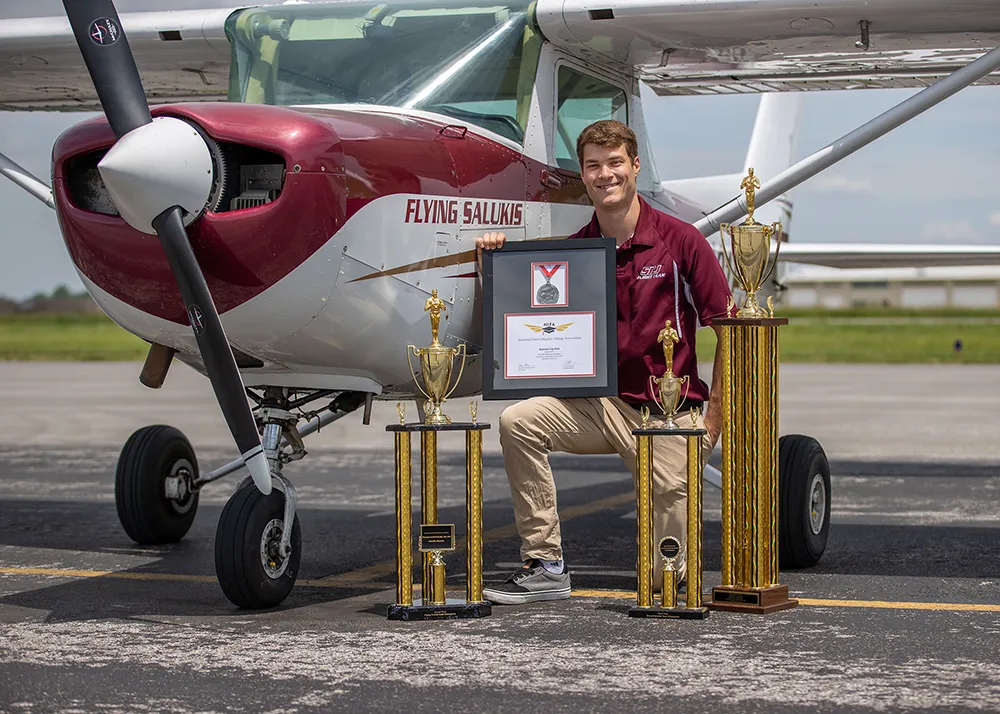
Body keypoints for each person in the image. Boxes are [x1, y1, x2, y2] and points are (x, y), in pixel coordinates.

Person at [476, 120, 733, 605]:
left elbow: (730, 335)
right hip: (600, 405)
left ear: (635, 167)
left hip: (668, 416)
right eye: (593, 165)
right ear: (584, 174)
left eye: (615, 162)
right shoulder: (577, 251)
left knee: (664, 582)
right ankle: (546, 564)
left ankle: (667, 567)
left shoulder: (682, 242)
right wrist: (495, 262)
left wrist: (713, 422)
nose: (605, 174)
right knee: (517, 421)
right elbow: (531, 320)